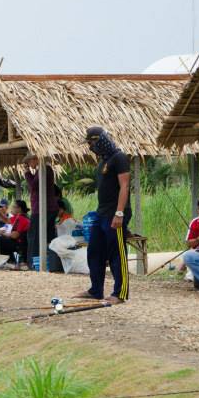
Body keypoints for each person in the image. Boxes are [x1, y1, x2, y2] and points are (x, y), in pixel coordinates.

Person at [78, 127, 131, 304]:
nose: (91, 146)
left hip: (115, 213)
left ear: (100, 140)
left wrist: (119, 213)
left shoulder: (119, 158)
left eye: (92, 142)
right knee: (94, 251)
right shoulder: (103, 161)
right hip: (101, 213)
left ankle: (120, 293)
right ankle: (96, 290)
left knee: (117, 253)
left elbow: (124, 186)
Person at [24, 155, 59, 269]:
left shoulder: (44, 169)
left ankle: (34, 262)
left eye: (29, 162)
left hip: (42, 209)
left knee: (34, 236)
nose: (29, 165)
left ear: (35, 159)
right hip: (46, 208)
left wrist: (27, 173)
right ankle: (48, 262)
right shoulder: (43, 170)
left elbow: (34, 186)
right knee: (47, 235)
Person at [0, 200, 31, 264]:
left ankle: (7, 261)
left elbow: (15, 235)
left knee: (0, 240)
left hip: (20, 245)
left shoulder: (22, 218)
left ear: (19, 209)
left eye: (14, 207)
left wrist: (3, 233)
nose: (12, 208)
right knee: (1, 238)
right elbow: (7, 220)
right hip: (18, 242)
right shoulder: (19, 216)